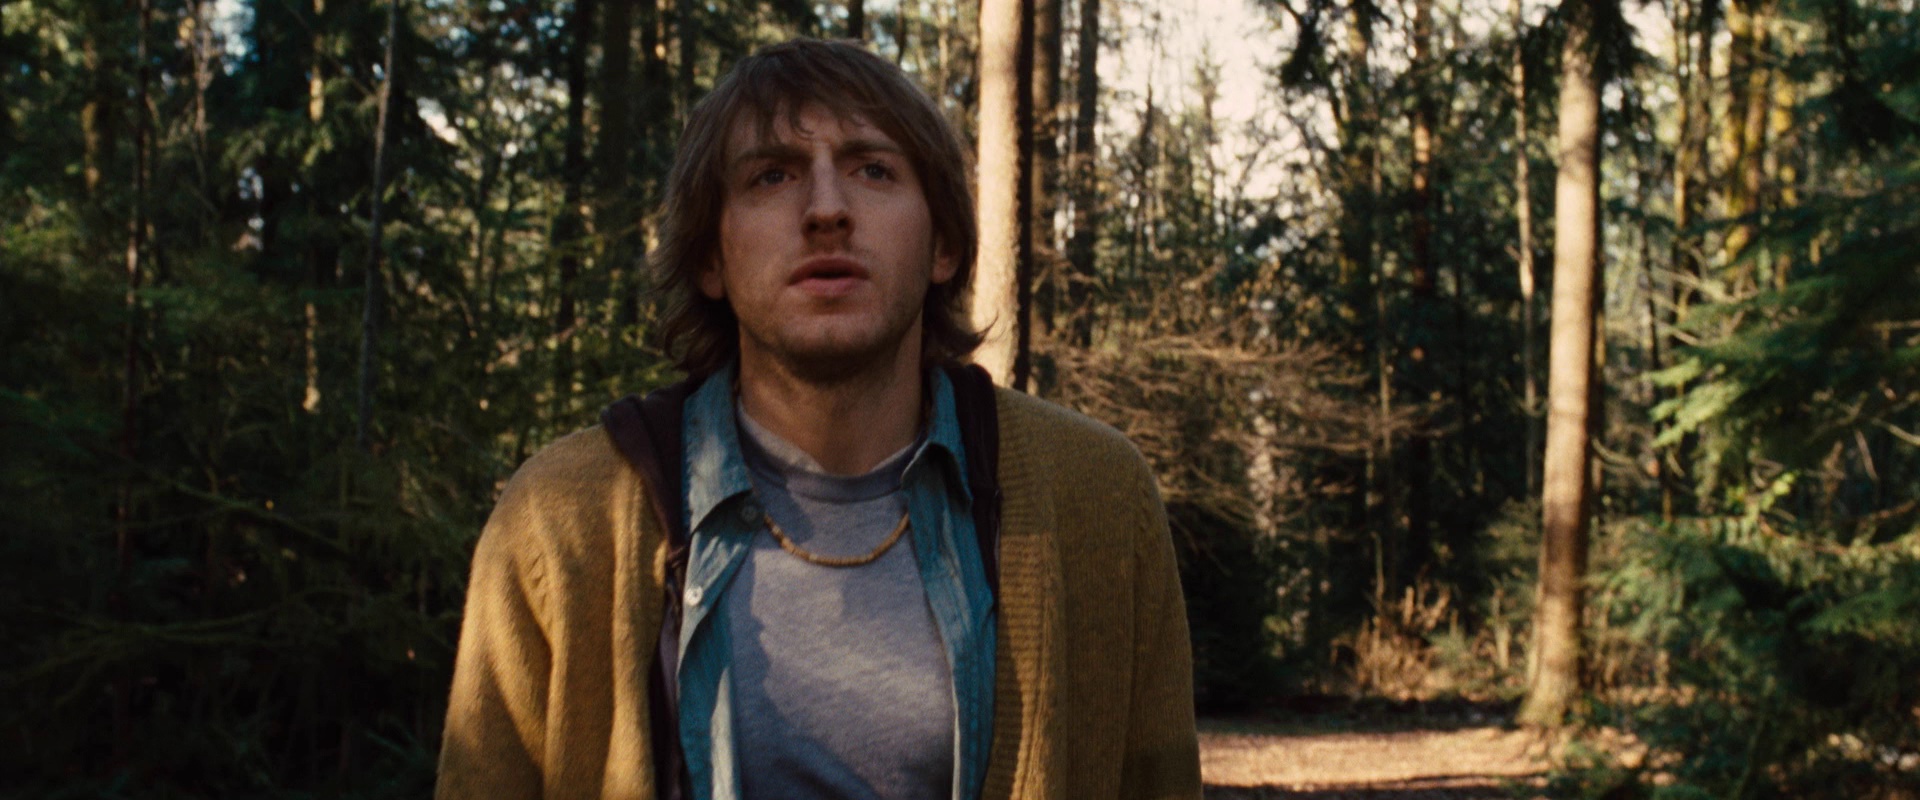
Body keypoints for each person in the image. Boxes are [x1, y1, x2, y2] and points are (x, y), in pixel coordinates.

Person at [436, 38, 1200, 800]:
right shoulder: (560, 519)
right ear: (711, 258)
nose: (827, 210)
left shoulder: (1096, 497)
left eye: (873, 170)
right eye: (772, 175)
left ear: (942, 244)